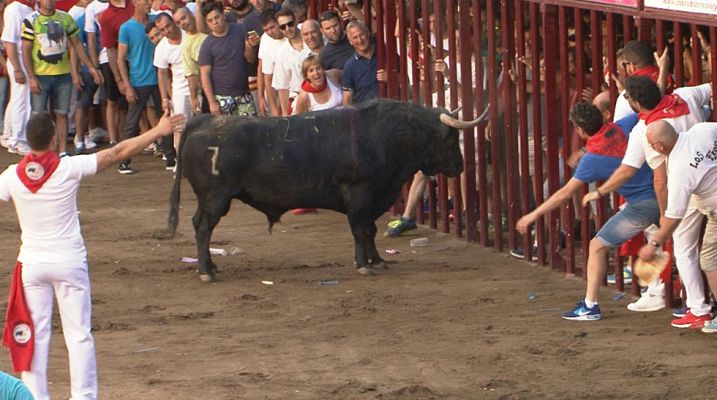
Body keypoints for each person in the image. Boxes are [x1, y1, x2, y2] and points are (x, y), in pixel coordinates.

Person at [0, 110, 185, 400]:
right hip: (69, 261)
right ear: (53, 139)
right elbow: (116, 153)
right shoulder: (67, 168)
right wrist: (158, 131)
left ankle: (34, 396)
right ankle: (84, 397)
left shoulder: (12, 176)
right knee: (78, 335)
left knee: (36, 336)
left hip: (33, 264)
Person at [582, 76, 713, 328]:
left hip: (682, 192)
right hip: (710, 179)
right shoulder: (685, 96)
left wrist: (600, 192)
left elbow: (643, 175)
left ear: (635, 102)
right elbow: (711, 87)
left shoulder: (643, 131)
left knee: (685, 251)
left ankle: (699, 308)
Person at [517, 102, 658, 321]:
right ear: (603, 117)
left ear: (579, 131)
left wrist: (532, 215)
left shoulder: (591, 160)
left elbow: (564, 194)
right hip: (664, 194)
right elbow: (650, 111)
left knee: (597, 245)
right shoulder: (624, 125)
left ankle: (590, 305)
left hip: (643, 205)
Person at [638, 121, 717, 334]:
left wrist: (653, 243)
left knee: (710, 261)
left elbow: (674, 217)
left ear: (660, 147)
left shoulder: (679, 170)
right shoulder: (702, 129)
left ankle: (702, 311)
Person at [21, 0, 104, 157]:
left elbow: (77, 44)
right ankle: (38, 152)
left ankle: (62, 151)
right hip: (41, 74)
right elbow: (26, 49)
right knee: (38, 114)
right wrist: (31, 76)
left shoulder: (65, 18)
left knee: (62, 113)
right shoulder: (31, 20)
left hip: (62, 74)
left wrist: (91, 67)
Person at [117, 0, 176, 173]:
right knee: (132, 122)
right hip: (139, 80)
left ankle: (170, 157)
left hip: (160, 78)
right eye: (146, 1)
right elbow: (121, 58)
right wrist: (126, 85)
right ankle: (123, 160)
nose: (149, 3)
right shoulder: (126, 28)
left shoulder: (157, 21)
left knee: (165, 116)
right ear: (135, 2)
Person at [199, 1, 260, 116]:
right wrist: (212, 102)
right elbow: (204, 75)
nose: (215, 22)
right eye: (210, 20)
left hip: (243, 93)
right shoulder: (207, 44)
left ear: (223, 14)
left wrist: (251, 45)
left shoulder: (240, 29)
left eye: (217, 17)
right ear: (207, 23)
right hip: (222, 97)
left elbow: (250, 59)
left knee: (250, 131)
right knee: (225, 133)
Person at [1, 0, 35, 155]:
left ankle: (8, 135)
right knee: (23, 101)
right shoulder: (15, 9)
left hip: (26, 59)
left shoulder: (30, 7)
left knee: (17, 99)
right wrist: (17, 68)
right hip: (19, 59)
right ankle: (18, 140)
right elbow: (9, 41)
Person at [154, 12, 189, 154]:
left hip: (200, 87)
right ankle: (180, 161)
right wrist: (164, 98)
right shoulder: (161, 48)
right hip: (179, 90)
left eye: (168, 26)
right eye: (162, 29)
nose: (166, 31)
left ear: (174, 22)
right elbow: (162, 74)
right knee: (179, 128)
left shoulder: (188, 34)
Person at [270, 10, 313, 116]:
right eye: (283, 27)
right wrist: (285, 115)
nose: (287, 29)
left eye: (290, 24)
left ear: (296, 21)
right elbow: (282, 87)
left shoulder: (310, 34)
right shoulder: (282, 54)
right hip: (300, 99)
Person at [342, 20, 386, 105]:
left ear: (368, 33)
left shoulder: (385, 54)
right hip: (366, 114)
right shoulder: (349, 66)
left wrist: (390, 77)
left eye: (361, 35)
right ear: (350, 41)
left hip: (390, 109)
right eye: (355, 37)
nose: (360, 40)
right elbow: (347, 98)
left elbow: (405, 81)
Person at [174, 6, 206, 114]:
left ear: (192, 14)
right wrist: (194, 98)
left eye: (183, 18)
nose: (182, 23)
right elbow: (192, 75)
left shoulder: (209, 25)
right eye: (178, 22)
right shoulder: (186, 45)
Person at [256, 8, 285, 116]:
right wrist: (272, 107)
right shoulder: (265, 39)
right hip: (277, 92)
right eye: (266, 30)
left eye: (272, 27)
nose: (270, 32)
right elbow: (265, 74)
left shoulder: (290, 32)